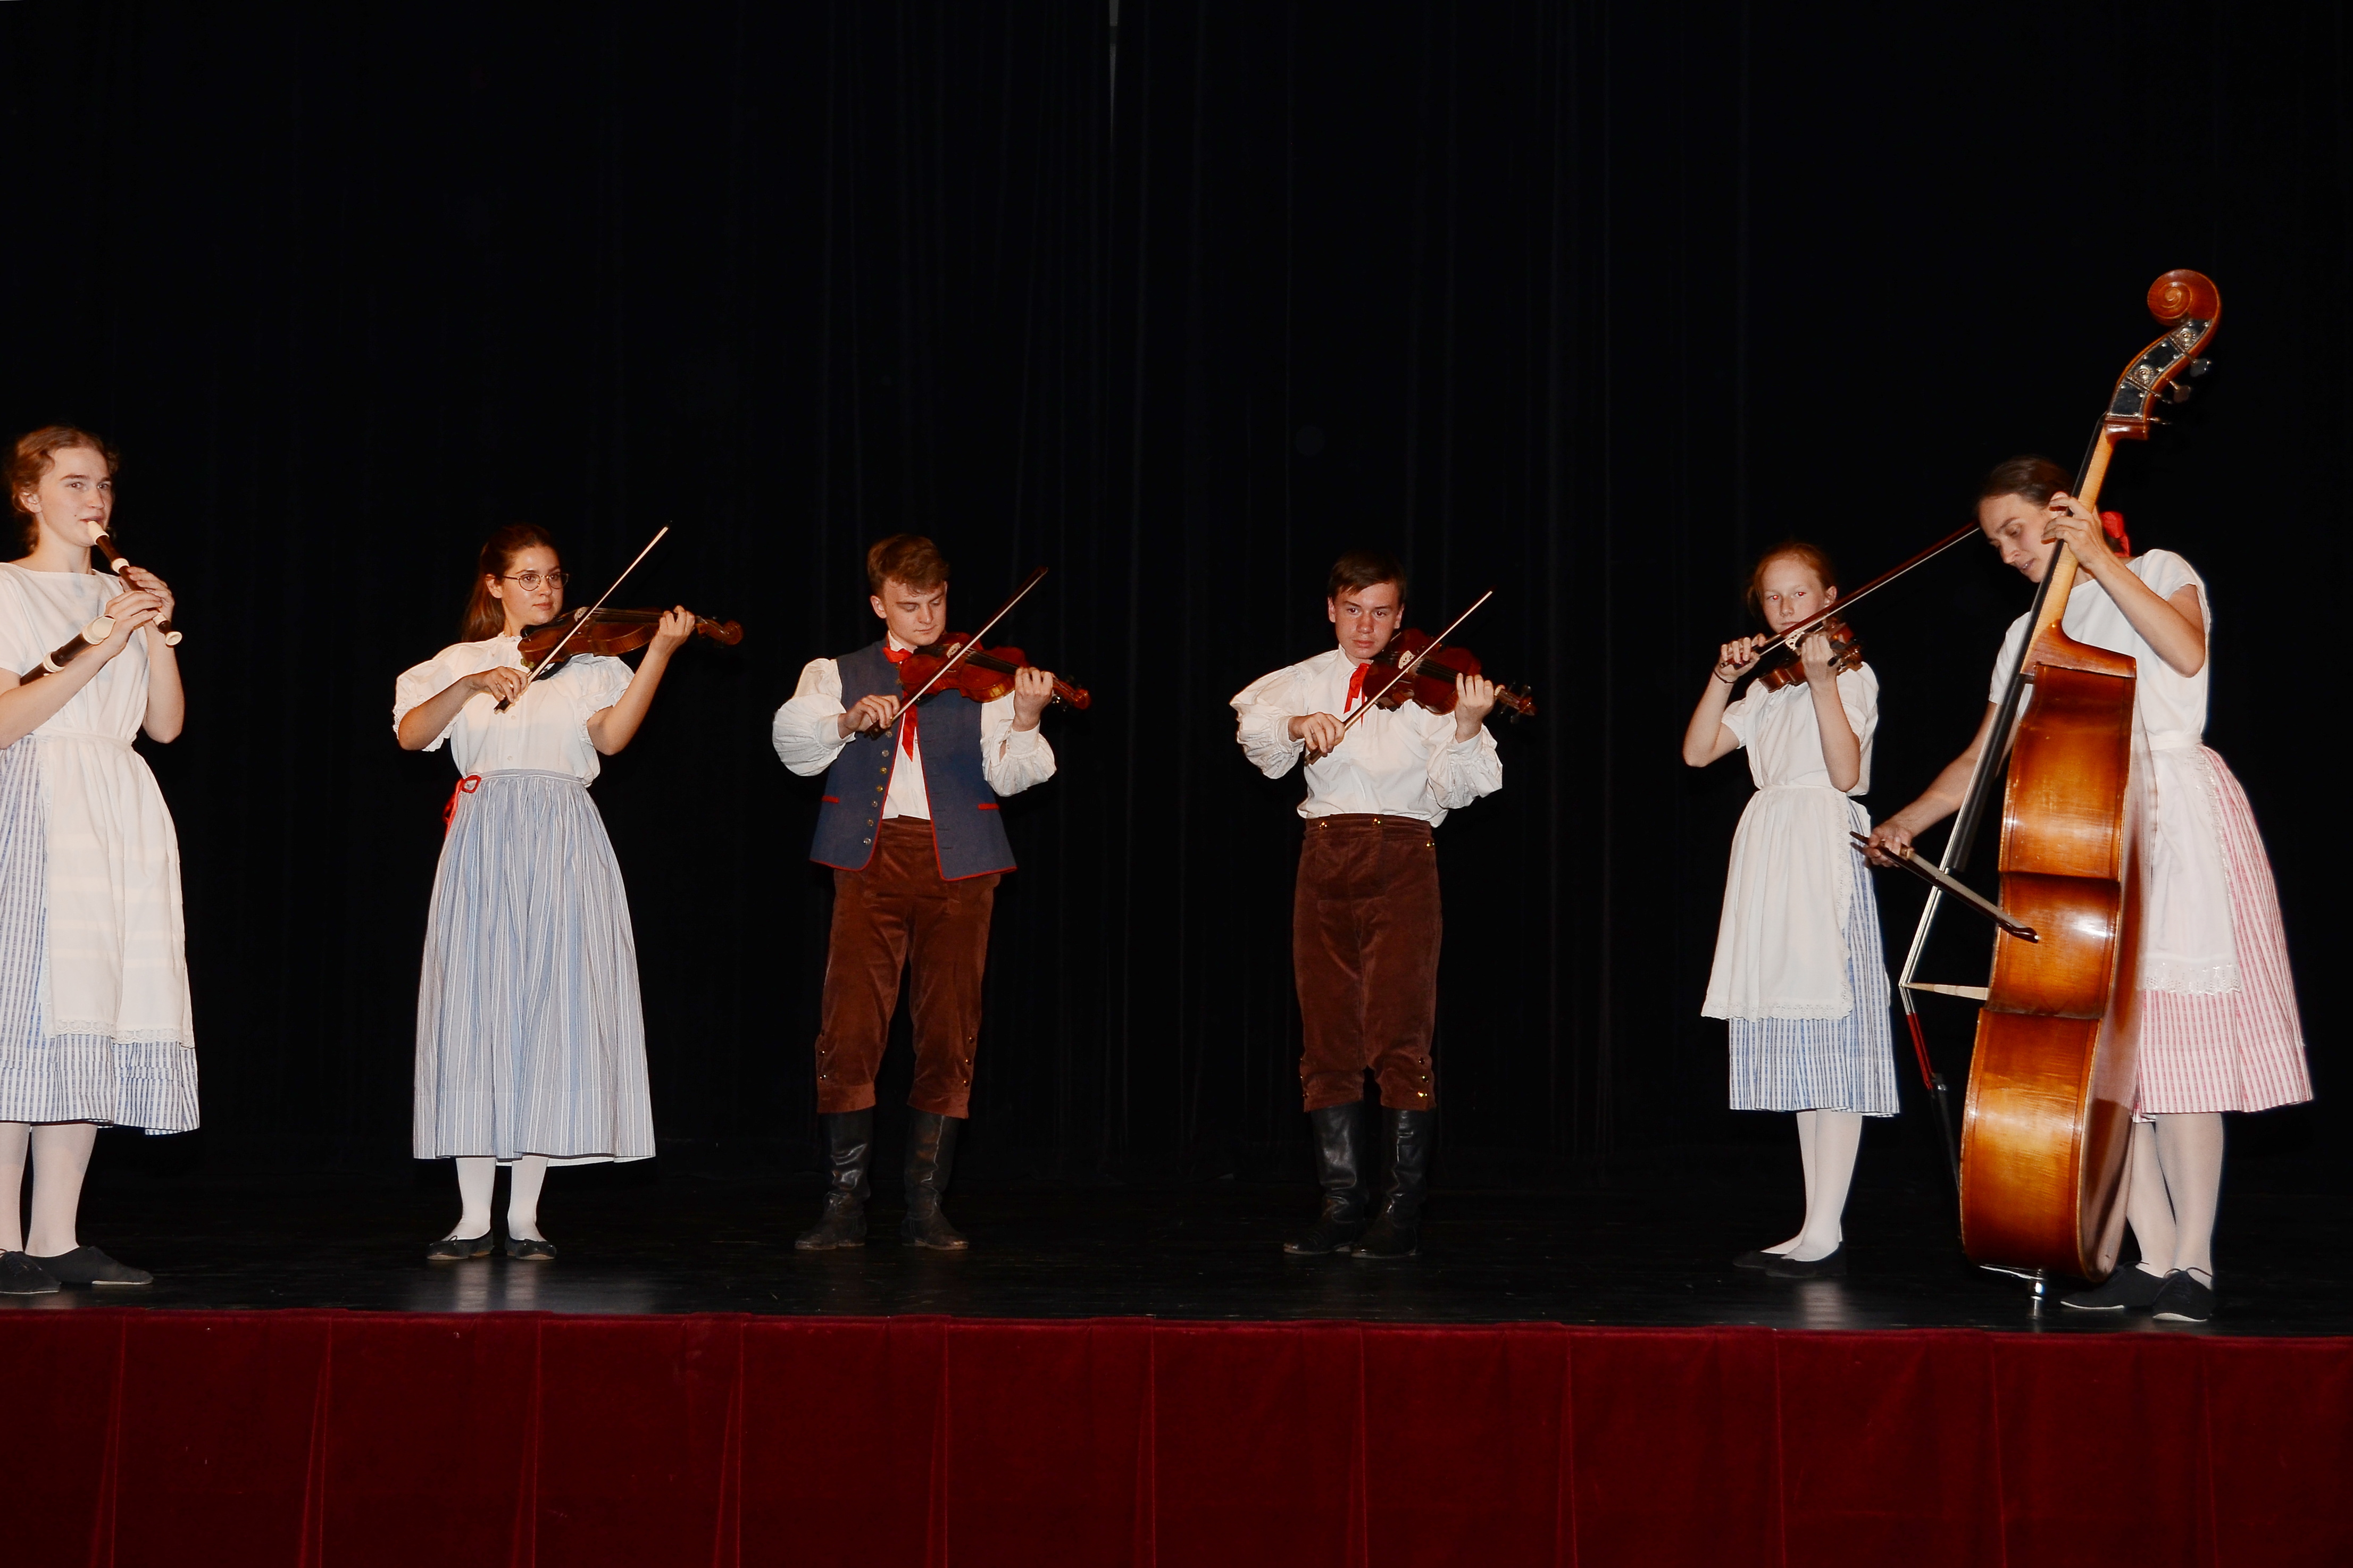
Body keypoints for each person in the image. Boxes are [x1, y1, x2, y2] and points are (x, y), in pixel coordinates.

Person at [1866, 457, 2312, 1322]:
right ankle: (2150, 1254)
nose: (2006, 553)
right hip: (2087, 835)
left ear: (2063, 510)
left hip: (2176, 821)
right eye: (1996, 542)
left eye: (2015, 531)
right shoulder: (2027, 633)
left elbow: (2186, 651)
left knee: (2182, 1056)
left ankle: (2196, 1263)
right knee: (2109, 1066)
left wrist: (2101, 561)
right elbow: (1982, 757)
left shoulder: (2160, 569)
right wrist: (1909, 821)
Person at [394, 524, 695, 1260]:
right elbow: (411, 735)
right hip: (485, 834)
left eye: (554, 576)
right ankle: (472, 1217)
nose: (546, 590)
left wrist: (658, 653)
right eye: (528, 577)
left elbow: (613, 739)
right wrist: (470, 684)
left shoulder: (592, 663)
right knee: (476, 1015)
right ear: (494, 585)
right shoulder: (459, 661)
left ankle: (525, 1217)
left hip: (564, 833)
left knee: (551, 1012)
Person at [771, 535, 1059, 1251]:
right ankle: (844, 1204)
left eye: (936, 602)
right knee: (849, 1029)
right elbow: (794, 748)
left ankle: (925, 1207)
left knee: (950, 1031)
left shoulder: (982, 672)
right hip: (868, 862)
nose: (927, 618)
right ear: (879, 605)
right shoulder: (836, 672)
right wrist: (846, 720)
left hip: (960, 865)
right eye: (909, 605)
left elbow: (1011, 776)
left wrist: (1026, 719)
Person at [1231, 550, 1501, 1260]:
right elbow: (1256, 734)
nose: (1365, 627)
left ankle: (1401, 1212)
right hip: (1323, 855)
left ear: (1400, 616)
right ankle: (1341, 1207)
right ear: (1331, 610)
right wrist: (1297, 726)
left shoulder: (1430, 685)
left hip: (1403, 856)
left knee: (1399, 1035)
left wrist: (1468, 724)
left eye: (1381, 613)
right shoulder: (1304, 679)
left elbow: (1458, 788)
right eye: (1353, 610)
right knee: (1326, 1038)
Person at [0, 426, 191, 1295]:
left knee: (92, 1013)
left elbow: (166, 726)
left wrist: (149, 628)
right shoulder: (7, 588)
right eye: (74, 483)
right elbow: (8, 720)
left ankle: (55, 1236)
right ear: (28, 496)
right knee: (23, 1018)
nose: (95, 499)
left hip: (116, 803)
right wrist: (100, 642)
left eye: (104, 484)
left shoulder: (120, 591)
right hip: (38, 797)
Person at [1685, 542, 1894, 1279]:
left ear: (1830, 598)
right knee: (1801, 1041)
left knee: (1834, 1035)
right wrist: (1723, 678)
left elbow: (1846, 771)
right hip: (1771, 851)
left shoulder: (1852, 673)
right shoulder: (1769, 689)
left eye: (1798, 594)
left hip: (1821, 846)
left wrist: (1823, 682)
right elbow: (1698, 751)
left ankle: (1827, 1229)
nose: (1783, 610)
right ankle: (1813, 1223)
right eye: (1772, 598)